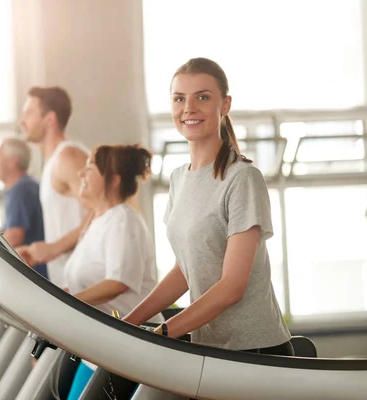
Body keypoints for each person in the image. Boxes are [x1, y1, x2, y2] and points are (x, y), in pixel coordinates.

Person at [123, 57, 293, 356]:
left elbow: (232, 287)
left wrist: (164, 332)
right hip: (209, 349)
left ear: (225, 105)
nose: (188, 108)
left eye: (202, 97)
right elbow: (186, 270)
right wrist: (129, 324)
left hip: (256, 351)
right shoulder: (179, 178)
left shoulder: (242, 178)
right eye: (179, 98)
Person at [64, 144, 163, 400]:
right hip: (100, 347)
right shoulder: (98, 222)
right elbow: (80, 286)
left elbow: (118, 283)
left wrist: (67, 303)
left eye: (90, 168)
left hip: (131, 348)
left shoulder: (124, 219)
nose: (81, 174)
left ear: (114, 179)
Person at [15, 87, 92, 287]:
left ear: (50, 119)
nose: (21, 121)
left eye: (28, 113)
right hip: (69, 283)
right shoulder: (52, 163)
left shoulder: (68, 157)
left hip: (91, 285)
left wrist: (55, 248)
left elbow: (103, 211)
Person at [0, 138, 48, 279]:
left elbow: (14, 236)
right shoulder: (24, 187)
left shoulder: (21, 189)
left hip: (36, 275)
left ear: (13, 161)